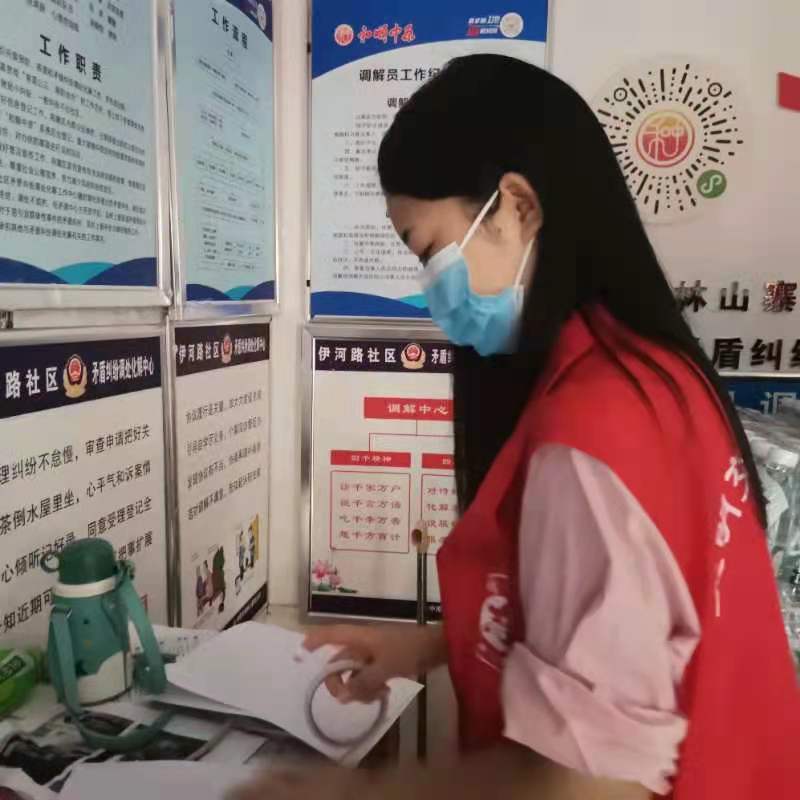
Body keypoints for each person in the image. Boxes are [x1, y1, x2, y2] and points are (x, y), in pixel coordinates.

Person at [234, 55, 800, 800]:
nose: (431, 291)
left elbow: (587, 786)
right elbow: (616, 617)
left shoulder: (592, 429)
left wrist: (342, 794)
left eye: (429, 251)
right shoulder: (660, 375)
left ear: (517, 207)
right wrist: (426, 647)